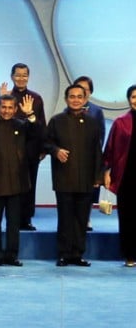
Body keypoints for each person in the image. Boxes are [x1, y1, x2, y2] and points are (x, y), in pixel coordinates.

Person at [0, 93, 39, 266]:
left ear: (15, 109)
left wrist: (30, 115)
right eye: (3, 107)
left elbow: (37, 135)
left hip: (17, 182)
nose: (6, 111)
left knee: (14, 224)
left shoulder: (23, 126)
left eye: (10, 107)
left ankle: (12, 255)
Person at [46, 84, 103, 267]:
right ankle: (63, 254)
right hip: (64, 178)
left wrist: (97, 177)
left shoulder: (92, 123)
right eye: (72, 96)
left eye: (80, 96)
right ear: (66, 99)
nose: (76, 100)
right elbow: (45, 143)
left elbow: (97, 151)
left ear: (85, 99)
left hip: (86, 179)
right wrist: (56, 151)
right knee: (65, 218)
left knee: (81, 219)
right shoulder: (56, 121)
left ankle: (77, 254)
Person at [0, 63, 46, 231]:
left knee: (29, 185)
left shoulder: (36, 98)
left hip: (30, 148)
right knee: (10, 187)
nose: (21, 78)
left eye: (24, 75)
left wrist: (42, 148)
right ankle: (11, 219)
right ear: (12, 76)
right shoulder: (7, 96)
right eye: (18, 75)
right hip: (8, 149)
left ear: (28, 77)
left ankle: (26, 219)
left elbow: (41, 124)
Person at [103, 85, 136, 267]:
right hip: (127, 176)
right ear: (129, 99)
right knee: (128, 217)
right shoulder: (121, 122)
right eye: (133, 97)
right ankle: (130, 255)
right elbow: (110, 150)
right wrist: (107, 172)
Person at [70, 76, 105, 227]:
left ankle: (87, 218)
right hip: (72, 158)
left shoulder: (96, 111)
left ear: (90, 92)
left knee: (90, 190)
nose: (82, 92)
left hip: (90, 158)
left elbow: (101, 134)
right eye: (79, 88)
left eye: (85, 89)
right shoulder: (67, 110)